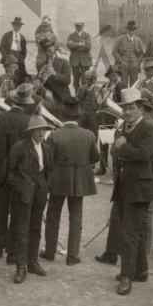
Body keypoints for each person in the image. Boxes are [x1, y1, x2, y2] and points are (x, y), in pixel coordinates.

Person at [112, 88, 153, 295]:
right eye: (125, 108)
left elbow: (144, 154)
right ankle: (141, 270)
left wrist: (123, 147)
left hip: (140, 188)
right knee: (138, 230)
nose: (127, 112)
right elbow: (117, 151)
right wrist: (118, 148)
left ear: (141, 109)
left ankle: (127, 276)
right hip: (125, 185)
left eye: (131, 108)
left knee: (130, 233)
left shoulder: (149, 128)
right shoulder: (124, 128)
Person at [41, 105, 98, 265]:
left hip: (58, 179)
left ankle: (50, 251)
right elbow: (95, 157)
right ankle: (73, 255)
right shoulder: (89, 135)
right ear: (79, 117)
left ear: (63, 116)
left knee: (53, 214)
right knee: (76, 216)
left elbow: (47, 159)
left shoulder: (54, 135)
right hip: (79, 180)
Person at [0, 84, 34, 260]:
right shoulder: (29, 121)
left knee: (1, 209)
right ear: (26, 103)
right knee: (17, 210)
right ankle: (12, 252)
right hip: (20, 173)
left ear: (13, 100)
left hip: (1, 171)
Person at [8, 115, 54, 283]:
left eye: (44, 129)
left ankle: (32, 262)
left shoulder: (47, 148)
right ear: (31, 131)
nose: (41, 132)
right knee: (22, 229)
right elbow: (8, 171)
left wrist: (46, 186)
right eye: (38, 129)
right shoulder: (20, 147)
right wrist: (20, 186)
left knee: (36, 228)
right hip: (23, 194)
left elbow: (51, 170)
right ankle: (21, 266)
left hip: (40, 194)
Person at [111, 20, 145, 88]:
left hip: (134, 63)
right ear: (127, 30)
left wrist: (138, 62)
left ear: (135, 31)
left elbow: (142, 53)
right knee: (123, 82)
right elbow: (114, 51)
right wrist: (121, 61)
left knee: (134, 83)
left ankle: (133, 94)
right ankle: (124, 93)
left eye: (133, 30)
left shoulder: (138, 40)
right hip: (124, 63)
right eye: (130, 30)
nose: (131, 32)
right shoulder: (121, 39)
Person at [65, 21, 93, 92]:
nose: (78, 27)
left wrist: (75, 46)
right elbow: (69, 45)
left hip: (85, 61)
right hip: (74, 61)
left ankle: (84, 95)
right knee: (76, 80)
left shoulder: (87, 35)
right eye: (76, 26)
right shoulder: (71, 35)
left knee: (85, 80)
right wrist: (80, 44)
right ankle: (77, 95)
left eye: (80, 26)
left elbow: (88, 47)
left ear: (83, 26)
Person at [0, 17, 29, 83]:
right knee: (10, 74)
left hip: (19, 56)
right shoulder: (7, 35)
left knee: (21, 74)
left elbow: (24, 49)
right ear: (12, 26)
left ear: (21, 27)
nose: (17, 27)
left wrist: (22, 57)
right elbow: (1, 47)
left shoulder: (22, 37)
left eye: (19, 26)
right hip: (10, 54)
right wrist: (6, 56)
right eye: (15, 25)